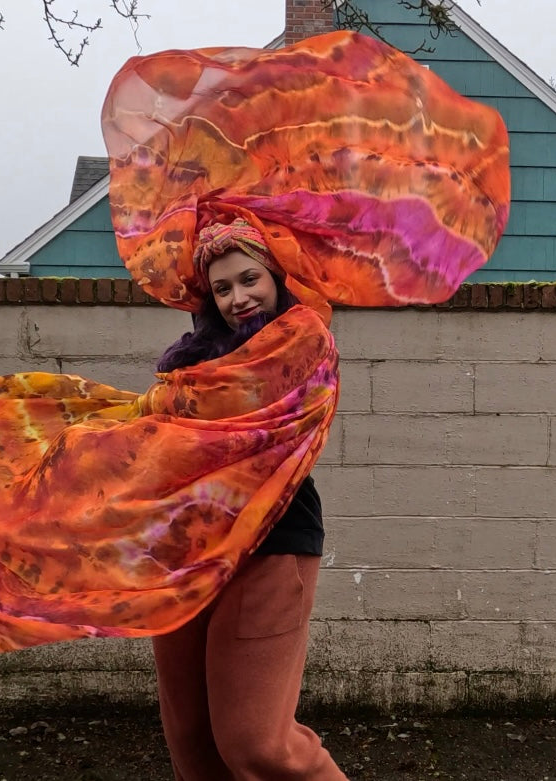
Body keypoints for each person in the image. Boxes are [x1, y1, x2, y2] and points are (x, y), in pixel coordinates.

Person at [151, 219, 348, 781]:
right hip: (184, 547)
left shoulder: (308, 345)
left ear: (276, 277)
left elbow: (253, 438)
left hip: (271, 542)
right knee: (193, 743)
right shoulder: (187, 364)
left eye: (249, 279)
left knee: (258, 744)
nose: (238, 298)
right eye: (222, 288)